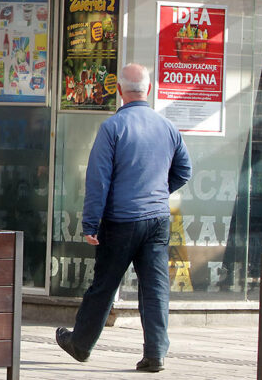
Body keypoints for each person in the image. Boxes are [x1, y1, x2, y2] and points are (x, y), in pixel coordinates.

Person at [56, 63, 192, 373]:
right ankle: (155, 353)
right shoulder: (167, 127)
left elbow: (98, 180)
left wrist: (91, 223)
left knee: (104, 284)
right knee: (155, 287)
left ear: (119, 91)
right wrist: (159, 192)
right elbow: (184, 170)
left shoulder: (113, 127)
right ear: (149, 90)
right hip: (157, 219)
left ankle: (81, 344)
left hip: (121, 220)